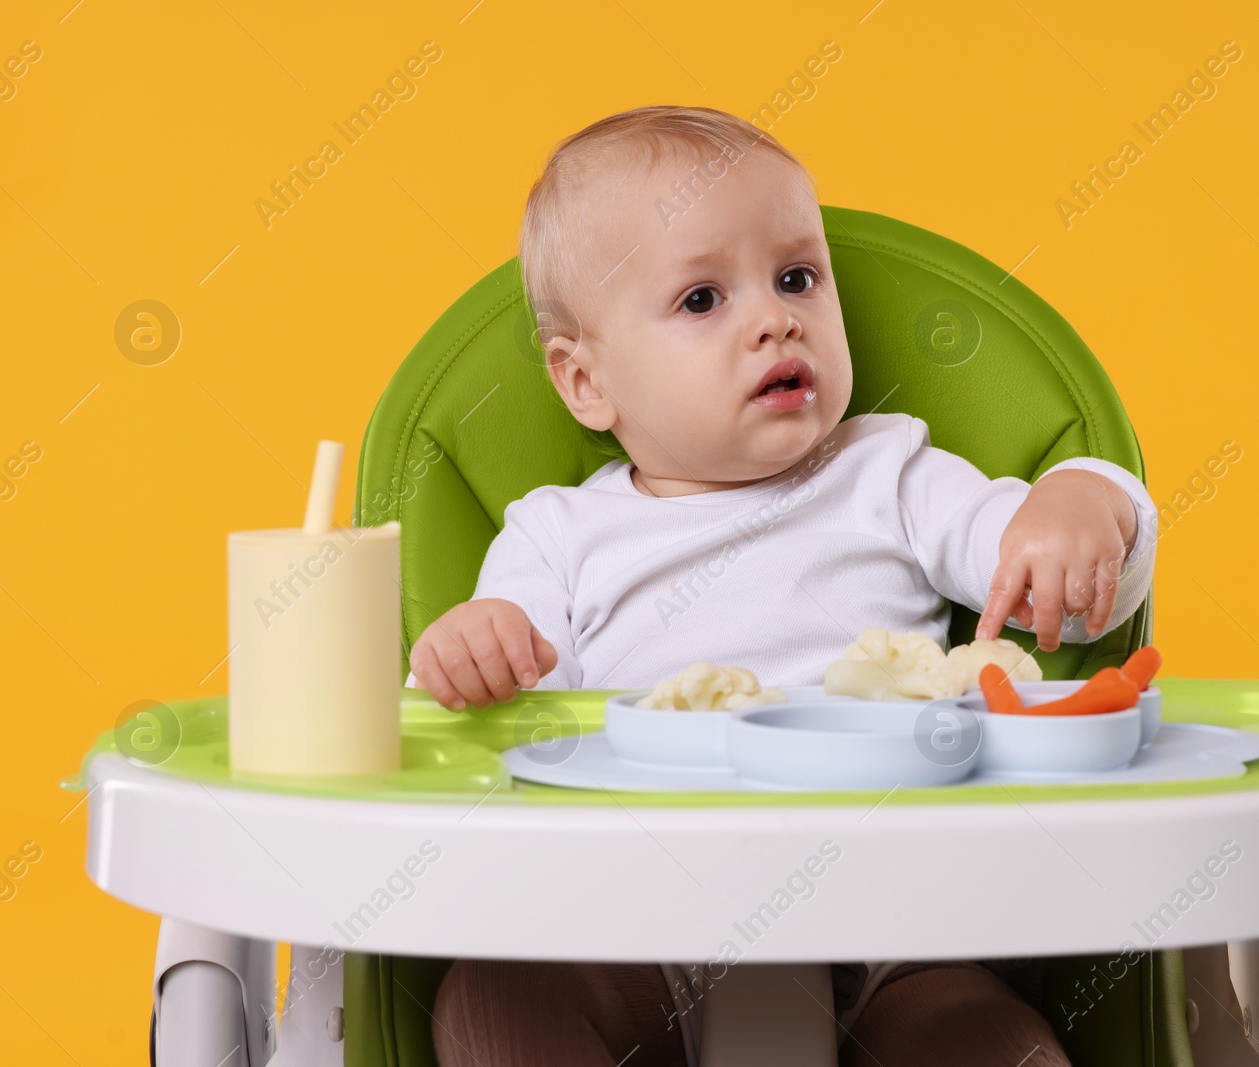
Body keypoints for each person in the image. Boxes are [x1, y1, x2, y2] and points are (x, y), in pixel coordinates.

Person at [408, 105, 1159, 1067]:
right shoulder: (556, 535)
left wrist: (1089, 502)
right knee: (495, 1004)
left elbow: (1048, 559)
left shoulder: (891, 474)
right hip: (639, 925)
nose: (776, 317)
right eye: (700, 300)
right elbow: (509, 675)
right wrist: (471, 646)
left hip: (900, 933)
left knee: (987, 1043)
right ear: (586, 383)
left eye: (797, 277)